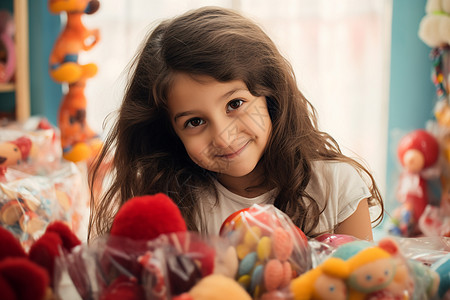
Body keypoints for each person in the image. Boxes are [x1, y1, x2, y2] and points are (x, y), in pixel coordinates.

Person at [88, 6, 384, 241]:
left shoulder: (336, 187)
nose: (224, 137)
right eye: (195, 121)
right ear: (170, 133)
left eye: (235, 104)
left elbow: (364, 283)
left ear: (270, 94)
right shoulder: (175, 206)